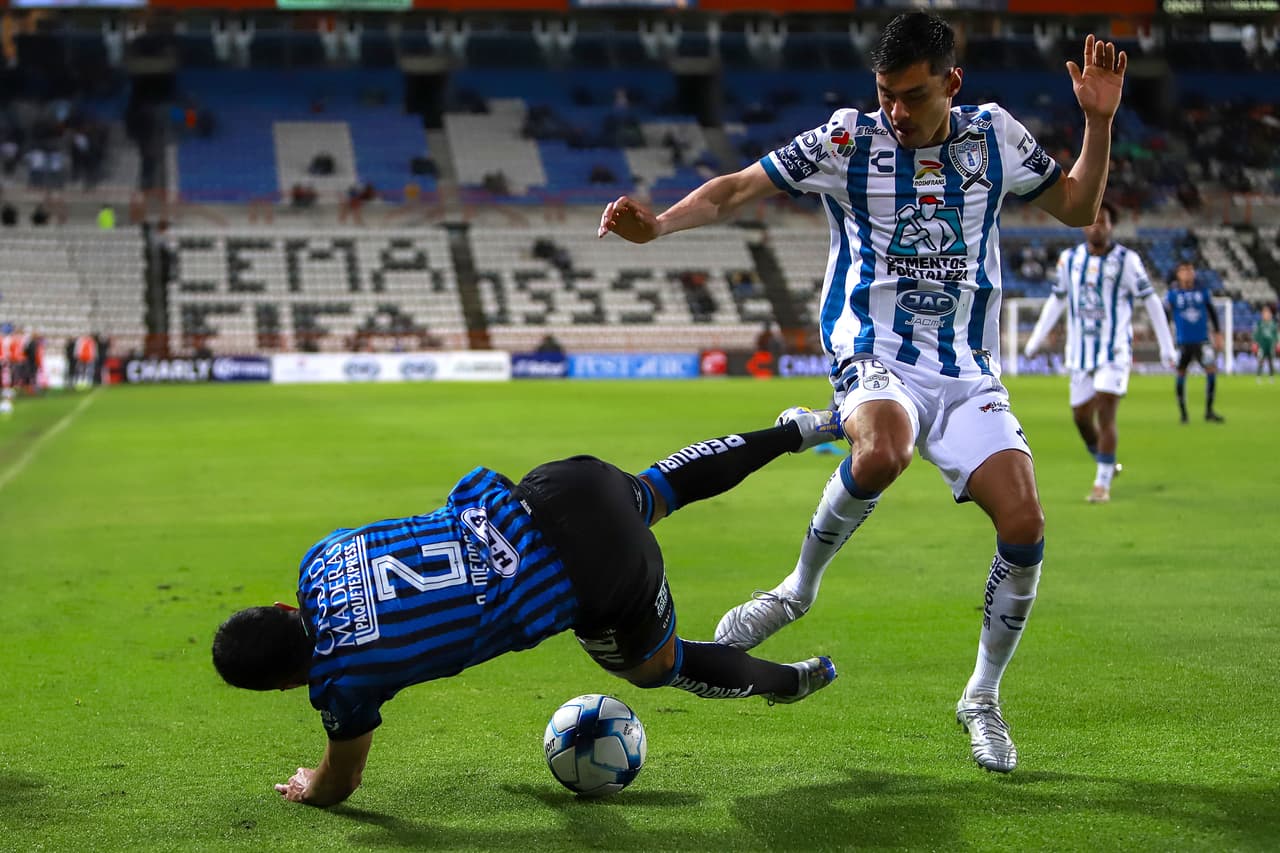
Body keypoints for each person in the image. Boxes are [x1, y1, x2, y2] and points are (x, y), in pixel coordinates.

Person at [597, 12, 1129, 773]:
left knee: (1026, 520)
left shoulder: (995, 139)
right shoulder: (848, 140)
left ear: (953, 83)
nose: (897, 112)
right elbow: (736, 188)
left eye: (913, 96)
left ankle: (980, 696)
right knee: (883, 452)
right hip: (872, 351)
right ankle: (795, 590)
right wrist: (662, 224)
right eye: (885, 94)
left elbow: (1078, 207)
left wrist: (1096, 121)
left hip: (967, 368)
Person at [212, 411, 842, 807]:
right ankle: (800, 429)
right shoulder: (318, 559)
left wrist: (308, 786)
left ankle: (789, 681)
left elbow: (340, 782)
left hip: (591, 575)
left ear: (288, 682)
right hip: (556, 489)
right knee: (657, 488)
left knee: (658, 666)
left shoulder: (339, 685)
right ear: (280, 606)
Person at [1023, 201, 1176, 503]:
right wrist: (1035, 339)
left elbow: (1152, 302)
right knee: (1081, 418)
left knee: (1106, 412)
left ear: (1111, 226)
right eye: (1092, 222)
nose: (1097, 227)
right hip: (1079, 352)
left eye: (1102, 222)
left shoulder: (1127, 261)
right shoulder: (1069, 260)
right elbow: (1057, 300)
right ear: (1084, 226)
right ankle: (1106, 461)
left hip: (1114, 350)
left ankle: (1101, 484)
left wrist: (1167, 346)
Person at [1167, 261, 1225, 423]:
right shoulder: (1173, 293)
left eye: (1190, 269)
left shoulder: (1202, 291)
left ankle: (1209, 411)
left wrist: (1218, 333)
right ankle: (1183, 414)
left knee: (1211, 370)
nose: (1188, 273)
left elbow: (1212, 312)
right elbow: (1165, 316)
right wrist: (1166, 340)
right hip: (1182, 342)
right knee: (1180, 373)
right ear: (1178, 274)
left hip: (1202, 340)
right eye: (1184, 270)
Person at [1252, 304, 1276, 383]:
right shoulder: (1260, 324)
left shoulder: (1273, 324)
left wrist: (1277, 343)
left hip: (1270, 346)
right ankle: (1259, 376)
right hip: (1262, 346)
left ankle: (1271, 377)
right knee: (1261, 361)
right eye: (1264, 313)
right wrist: (1255, 343)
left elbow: (1275, 335)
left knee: (1270, 362)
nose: (1266, 315)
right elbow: (1256, 334)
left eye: (1267, 313)